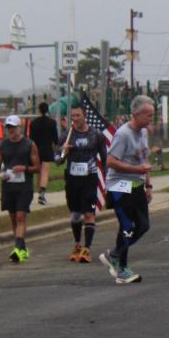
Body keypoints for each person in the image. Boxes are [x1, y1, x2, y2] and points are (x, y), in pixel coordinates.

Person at [100, 96, 155, 285]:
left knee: (143, 225)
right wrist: (136, 170)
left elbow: (144, 160)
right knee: (127, 226)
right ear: (136, 114)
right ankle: (121, 268)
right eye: (148, 115)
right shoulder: (123, 134)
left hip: (136, 184)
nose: (151, 119)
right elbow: (110, 161)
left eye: (152, 115)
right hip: (119, 185)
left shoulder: (144, 133)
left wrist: (148, 185)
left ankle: (115, 255)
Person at [59, 104, 106, 262]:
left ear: (85, 116)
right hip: (72, 179)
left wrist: (107, 177)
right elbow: (57, 159)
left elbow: (104, 158)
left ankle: (87, 248)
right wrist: (63, 152)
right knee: (75, 215)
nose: (75, 119)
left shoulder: (96, 135)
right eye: (72, 116)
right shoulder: (66, 136)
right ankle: (77, 244)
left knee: (88, 213)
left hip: (89, 178)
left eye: (77, 115)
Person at [0, 114, 39, 262]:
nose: (11, 130)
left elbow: (37, 167)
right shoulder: (3, 146)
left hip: (24, 187)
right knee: (13, 218)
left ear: (20, 127)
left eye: (13, 127)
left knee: (20, 216)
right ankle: (22, 249)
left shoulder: (29, 145)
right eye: (8, 127)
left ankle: (17, 248)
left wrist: (24, 168)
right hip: (8, 186)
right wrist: (0, 175)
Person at [28, 100, 60, 205]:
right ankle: (41, 193)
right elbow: (55, 139)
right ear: (47, 110)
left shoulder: (33, 123)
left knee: (36, 170)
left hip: (35, 149)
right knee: (45, 172)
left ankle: (32, 192)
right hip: (47, 149)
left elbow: (30, 138)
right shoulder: (52, 122)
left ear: (39, 110)